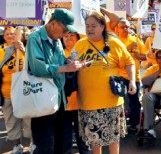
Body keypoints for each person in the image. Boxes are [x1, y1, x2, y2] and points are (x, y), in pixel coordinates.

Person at [74, 11, 136, 154]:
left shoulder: (113, 42)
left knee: (113, 140)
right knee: (95, 141)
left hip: (111, 102)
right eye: (87, 26)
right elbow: (70, 62)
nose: (89, 29)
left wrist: (132, 81)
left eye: (93, 26)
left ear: (102, 26)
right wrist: (74, 65)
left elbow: (129, 62)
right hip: (88, 102)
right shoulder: (80, 44)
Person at [26, 9, 85, 154]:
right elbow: (38, 68)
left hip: (59, 100)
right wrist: (65, 67)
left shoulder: (57, 40)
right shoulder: (35, 38)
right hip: (42, 101)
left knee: (64, 144)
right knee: (45, 146)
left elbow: (59, 62)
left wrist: (72, 63)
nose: (66, 33)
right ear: (53, 23)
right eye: (65, 29)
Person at [0, 26, 32, 154]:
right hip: (6, 92)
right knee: (11, 121)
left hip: (24, 92)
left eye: (13, 34)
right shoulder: (1, 51)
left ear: (18, 35)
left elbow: (31, 66)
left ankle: (30, 145)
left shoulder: (26, 49)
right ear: (4, 37)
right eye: (7, 34)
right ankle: (16, 146)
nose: (10, 36)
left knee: (28, 119)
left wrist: (23, 50)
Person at [115, 18, 146, 132]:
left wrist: (138, 56)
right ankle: (119, 125)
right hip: (120, 76)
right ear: (117, 29)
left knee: (134, 102)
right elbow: (114, 60)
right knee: (120, 102)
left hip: (134, 77)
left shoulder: (136, 40)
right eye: (123, 27)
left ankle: (135, 124)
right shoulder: (115, 42)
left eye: (127, 26)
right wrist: (127, 50)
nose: (126, 29)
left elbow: (146, 56)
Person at [61, 31, 90, 154]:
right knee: (65, 136)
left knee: (82, 135)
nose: (68, 38)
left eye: (71, 35)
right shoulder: (58, 53)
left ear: (78, 38)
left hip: (81, 100)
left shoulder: (83, 52)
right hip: (63, 102)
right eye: (65, 36)